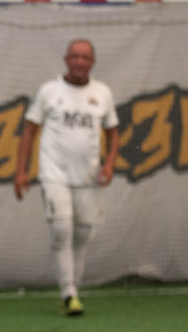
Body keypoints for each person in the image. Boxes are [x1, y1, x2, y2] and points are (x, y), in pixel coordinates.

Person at [14, 38, 120, 316]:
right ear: (66, 59)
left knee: (82, 235)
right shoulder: (49, 91)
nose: (80, 61)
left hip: (88, 178)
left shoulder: (102, 93)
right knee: (62, 230)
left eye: (85, 57)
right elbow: (29, 130)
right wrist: (21, 171)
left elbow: (113, 132)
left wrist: (109, 165)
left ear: (92, 62)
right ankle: (69, 293)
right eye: (75, 56)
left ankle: (73, 289)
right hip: (54, 174)